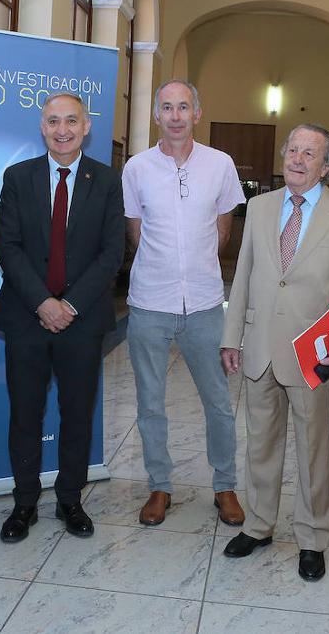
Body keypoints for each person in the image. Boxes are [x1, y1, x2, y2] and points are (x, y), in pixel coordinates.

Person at [220, 124, 329, 582]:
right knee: (260, 443)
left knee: (312, 448)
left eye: (310, 153)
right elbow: (243, 275)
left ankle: (312, 537)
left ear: (327, 167)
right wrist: (231, 336)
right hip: (260, 345)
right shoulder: (261, 207)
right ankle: (260, 525)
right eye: (292, 151)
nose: (297, 159)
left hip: (312, 354)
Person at [0, 92, 125, 543]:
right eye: (53, 121)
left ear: (86, 126)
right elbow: (8, 246)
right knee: (25, 415)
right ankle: (24, 502)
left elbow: (112, 253)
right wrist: (42, 304)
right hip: (26, 317)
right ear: (42, 126)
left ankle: (71, 498)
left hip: (83, 322)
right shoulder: (18, 177)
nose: (62, 129)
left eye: (71, 120)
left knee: (76, 415)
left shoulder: (106, 181)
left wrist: (69, 306)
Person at [122, 80, 246, 528]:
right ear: (157, 115)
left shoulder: (221, 164)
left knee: (217, 400)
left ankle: (225, 485)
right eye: (167, 107)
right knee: (150, 400)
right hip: (150, 303)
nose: (175, 115)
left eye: (184, 106)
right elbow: (136, 233)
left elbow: (224, 231)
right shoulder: (136, 168)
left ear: (197, 112)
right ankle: (160, 484)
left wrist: (193, 267)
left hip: (206, 303)